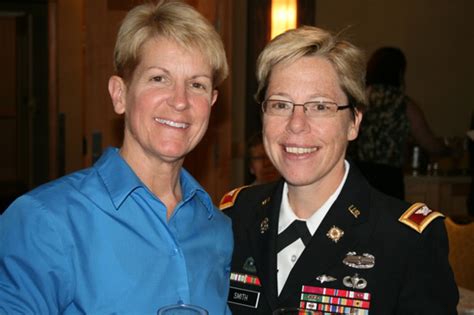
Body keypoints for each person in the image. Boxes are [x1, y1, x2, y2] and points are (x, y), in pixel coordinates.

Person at [0, 1, 232, 314]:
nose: (181, 101)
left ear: (212, 102)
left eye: (197, 84)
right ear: (119, 94)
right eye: (158, 78)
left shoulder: (216, 229)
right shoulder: (45, 221)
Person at [220, 26, 458, 314]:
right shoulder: (234, 217)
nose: (296, 124)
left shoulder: (406, 241)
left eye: (320, 106)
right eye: (280, 104)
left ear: (354, 122)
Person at [354, 46, 450, 199]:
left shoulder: (360, 100)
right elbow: (428, 142)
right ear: (399, 73)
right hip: (389, 180)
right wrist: (448, 151)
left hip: (357, 176)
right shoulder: (403, 104)